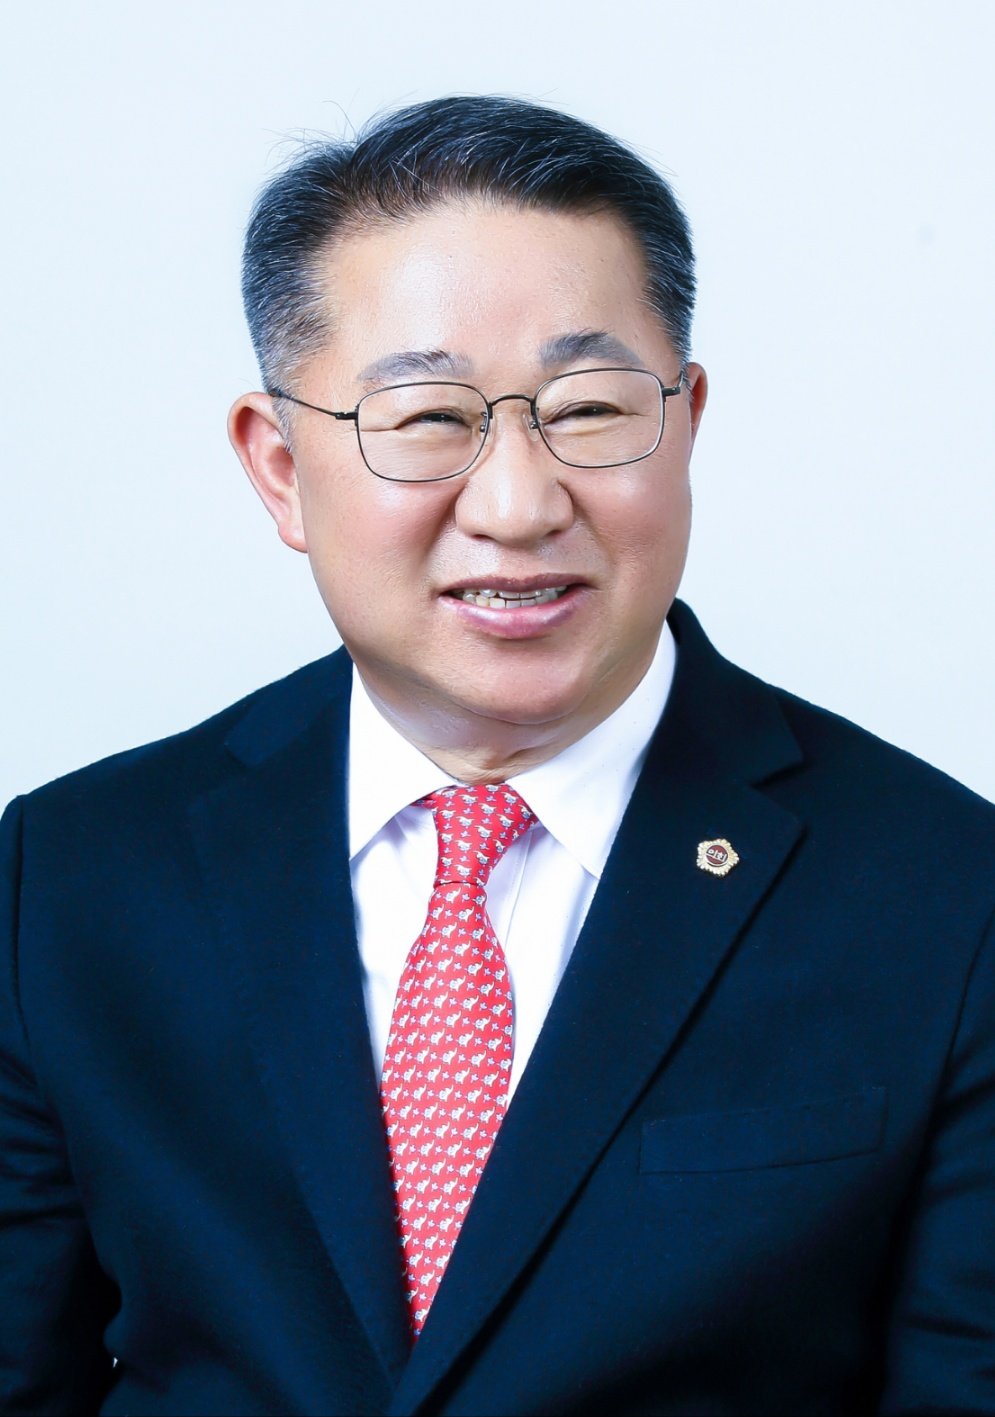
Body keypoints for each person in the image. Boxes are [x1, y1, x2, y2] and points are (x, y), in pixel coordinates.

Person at [1, 94, 993, 1417]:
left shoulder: (948, 894)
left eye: (589, 409)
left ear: (687, 420)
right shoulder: (68, 879)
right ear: (280, 467)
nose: (520, 505)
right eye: (426, 418)